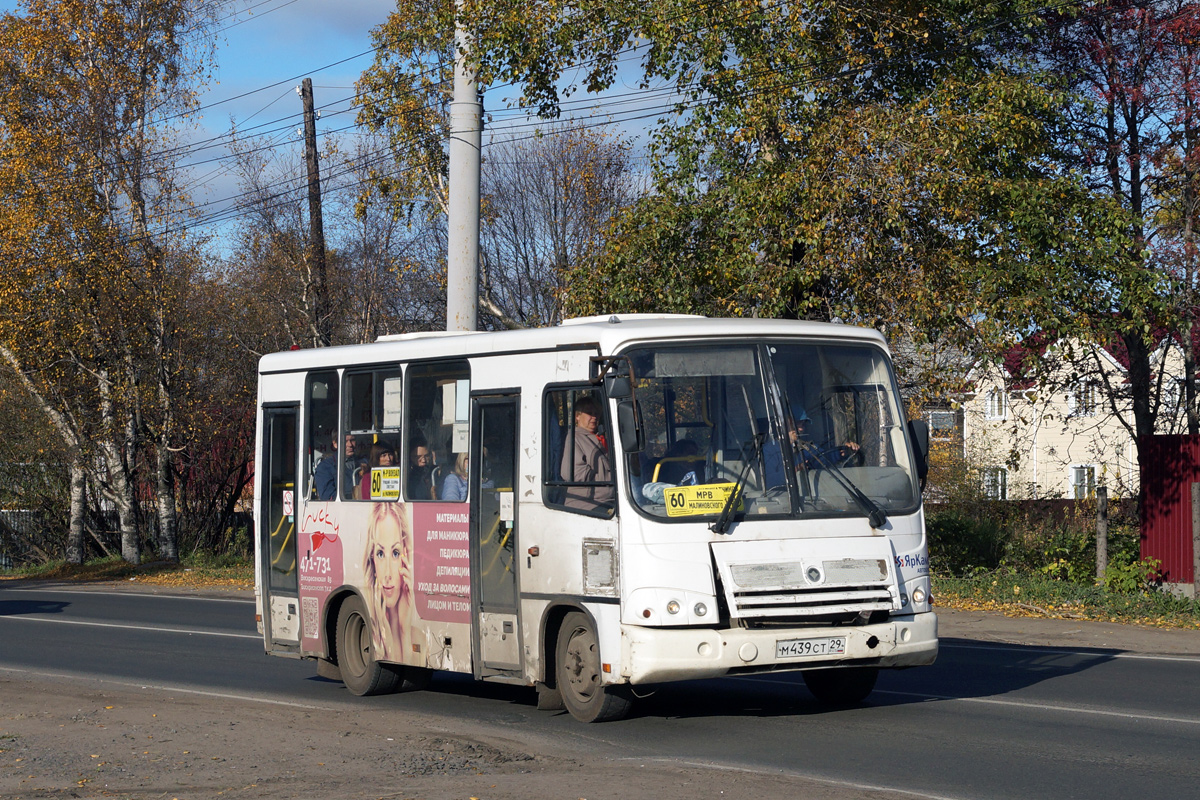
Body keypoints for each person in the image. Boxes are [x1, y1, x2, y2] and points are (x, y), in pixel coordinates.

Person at [362, 502, 412, 663]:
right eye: (381, 554)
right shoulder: (371, 631)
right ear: (372, 560)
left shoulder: (421, 639)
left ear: (405, 556)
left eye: (396, 553)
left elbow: (410, 670)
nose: (388, 574)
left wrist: (405, 632)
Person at [560, 395, 613, 512]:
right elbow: (572, 473)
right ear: (577, 416)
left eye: (596, 413)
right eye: (589, 413)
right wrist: (612, 479)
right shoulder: (574, 438)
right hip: (587, 505)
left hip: (607, 501)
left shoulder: (601, 438)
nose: (594, 417)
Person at [314, 433, 358, 501]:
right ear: (335, 444)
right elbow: (327, 497)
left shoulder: (364, 463)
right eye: (345, 441)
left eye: (352, 440)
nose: (350, 444)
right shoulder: (325, 467)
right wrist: (355, 495)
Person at [407, 436, 433, 500]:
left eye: (426, 456)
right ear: (410, 456)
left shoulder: (434, 473)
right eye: (418, 457)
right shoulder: (408, 477)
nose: (423, 460)